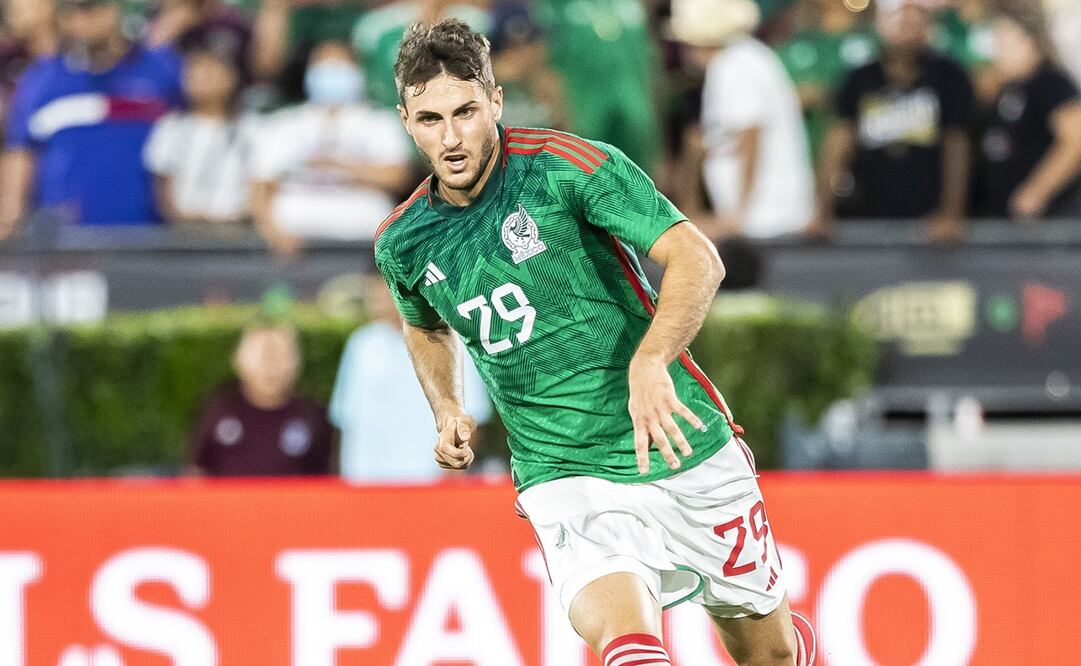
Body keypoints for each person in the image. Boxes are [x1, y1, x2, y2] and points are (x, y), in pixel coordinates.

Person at [375, 19, 816, 665]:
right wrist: (446, 405)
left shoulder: (568, 168)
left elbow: (697, 259)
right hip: (562, 472)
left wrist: (652, 357)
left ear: (495, 101)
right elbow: (425, 324)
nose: (450, 137)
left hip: (676, 442)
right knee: (627, 644)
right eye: (429, 119)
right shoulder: (403, 240)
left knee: (770, 654)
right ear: (405, 120)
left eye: (465, 112)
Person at [0, 0, 183, 239]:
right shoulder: (40, 80)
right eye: (71, 11)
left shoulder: (163, 70)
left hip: (150, 244)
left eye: (90, 8)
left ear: (116, 8)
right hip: (65, 249)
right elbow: (19, 156)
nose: (82, 21)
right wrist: (8, 224)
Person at [809, 0, 974, 242]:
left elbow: (957, 145)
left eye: (914, 18)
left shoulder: (949, 77)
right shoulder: (859, 78)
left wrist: (951, 213)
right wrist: (822, 211)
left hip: (929, 223)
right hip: (867, 215)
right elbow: (838, 143)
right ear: (880, 24)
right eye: (897, 18)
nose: (905, 26)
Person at [250, 39, 411, 255]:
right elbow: (261, 184)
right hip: (293, 232)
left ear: (357, 72)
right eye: (323, 64)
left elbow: (398, 177)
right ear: (309, 73)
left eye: (339, 64)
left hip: (362, 230)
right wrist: (271, 231)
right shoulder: (284, 123)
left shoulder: (380, 122)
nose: (331, 71)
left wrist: (339, 165)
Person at [671, 0, 814, 242]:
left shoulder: (736, 65)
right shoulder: (741, 59)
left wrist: (736, 216)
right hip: (765, 220)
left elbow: (750, 135)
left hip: (767, 222)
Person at [329, 275, 492, 483]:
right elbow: (345, 418)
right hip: (366, 486)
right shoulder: (361, 344)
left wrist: (451, 472)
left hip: (430, 485)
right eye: (374, 289)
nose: (378, 297)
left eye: (384, 287)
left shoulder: (453, 340)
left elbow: (471, 417)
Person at [975, 8, 1081, 220]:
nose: (999, 51)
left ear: (1033, 42)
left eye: (1007, 42)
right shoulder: (1006, 89)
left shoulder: (1051, 82)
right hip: (1003, 221)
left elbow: (1076, 139)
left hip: (1046, 222)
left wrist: (1037, 191)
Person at [190, 321, 333, 477]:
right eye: (262, 356)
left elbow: (326, 478)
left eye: (280, 355)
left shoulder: (311, 415)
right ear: (239, 359)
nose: (270, 366)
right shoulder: (220, 409)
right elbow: (196, 472)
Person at [144, 36, 258, 227]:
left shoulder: (252, 129)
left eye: (210, 69)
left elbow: (260, 185)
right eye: (193, 70)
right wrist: (186, 220)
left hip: (237, 236)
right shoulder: (171, 127)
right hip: (183, 238)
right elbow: (162, 189)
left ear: (231, 77)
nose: (201, 77)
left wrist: (235, 221)